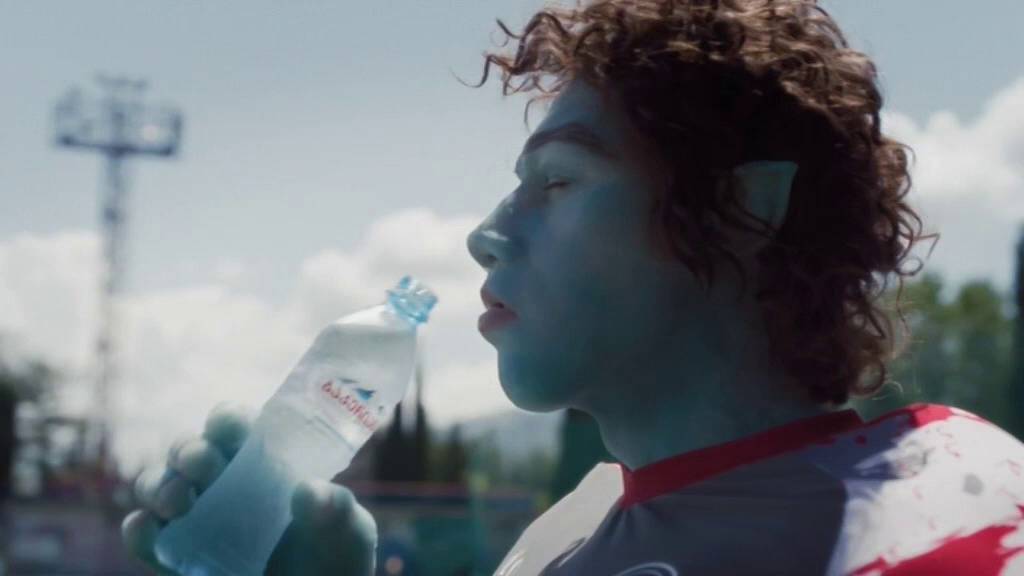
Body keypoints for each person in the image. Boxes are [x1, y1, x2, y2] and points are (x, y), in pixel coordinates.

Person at [122, 0, 1024, 574]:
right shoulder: (558, 541)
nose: (484, 236)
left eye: (557, 180)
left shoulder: (964, 505)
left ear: (745, 211)